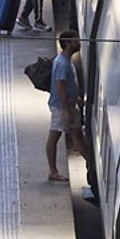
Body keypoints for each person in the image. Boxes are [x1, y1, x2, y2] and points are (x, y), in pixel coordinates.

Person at [47, 28, 83, 184]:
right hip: (61, 107)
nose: (79, 43)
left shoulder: (66, 60)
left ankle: (91, 164)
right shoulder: (62, 63)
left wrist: (76, 98)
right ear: (68, 43)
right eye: (75, 40)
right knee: (54, 136)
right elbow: (60, 87)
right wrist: (68, 109)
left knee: (77, 134)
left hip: (69, 105)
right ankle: (53, 171)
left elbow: (67, 84)